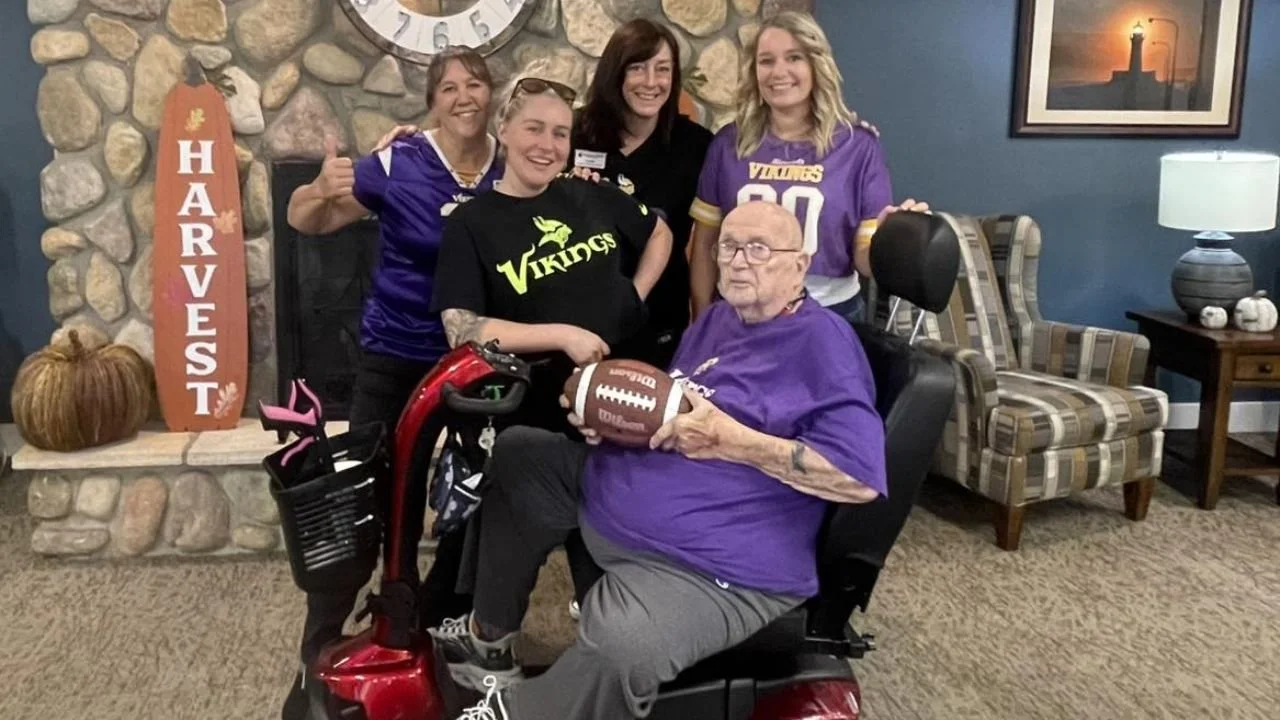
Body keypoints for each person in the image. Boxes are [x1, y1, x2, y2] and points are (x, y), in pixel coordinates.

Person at [437, 201, 887, 720]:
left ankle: (516, 712)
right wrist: (606, 425)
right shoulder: (720, 317)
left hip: (714, 560)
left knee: (621, 645)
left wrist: (732, 441)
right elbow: (671, 411)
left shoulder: (824, 344)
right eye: (729, 247)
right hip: (626, 489)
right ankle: (489, 639)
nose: (739, 262)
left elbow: (858, 477)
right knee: (520, 452)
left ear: (800, 264)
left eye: (759, 249)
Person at [280, 45, 501, 720]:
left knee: (479, 495)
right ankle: (319, 647)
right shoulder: (400, 162)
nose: (463, 96)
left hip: (473, 364)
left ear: (491, 93)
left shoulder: (513, 161)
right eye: (449, 87)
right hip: (395, 353)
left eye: (475, 83)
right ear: (432, 102)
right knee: (361, 502)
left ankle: (423, 620)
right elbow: (302, 218)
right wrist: (322, 187)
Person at [429, 75, 674, 439]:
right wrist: (563, 336)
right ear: (505, 130)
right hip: (542, 410)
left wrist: (635, 294)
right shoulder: (470, 222)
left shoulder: (589, 190)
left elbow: (659, 233)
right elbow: (462, 328)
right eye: (534, 128)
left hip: (634, 387)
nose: (547, 145)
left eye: (560, 133)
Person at [688, 10, 928, 324]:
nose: (779, 72)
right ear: (753, 71)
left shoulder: (857, 146)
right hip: (739, 315)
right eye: (766, 61)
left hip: (830, 314)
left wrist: (894, 242)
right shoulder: (728, 144)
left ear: (817, 64)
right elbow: (705, 243)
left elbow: (864, 260)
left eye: (794, 57)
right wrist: (702, 320)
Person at [570, 18, 713, 370]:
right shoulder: (573, 132)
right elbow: (511, 160)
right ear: (615, 73)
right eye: (638, 68)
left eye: (662, 69)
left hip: (660, 316)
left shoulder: (696, 145)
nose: (651, 82)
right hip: (578, 316)